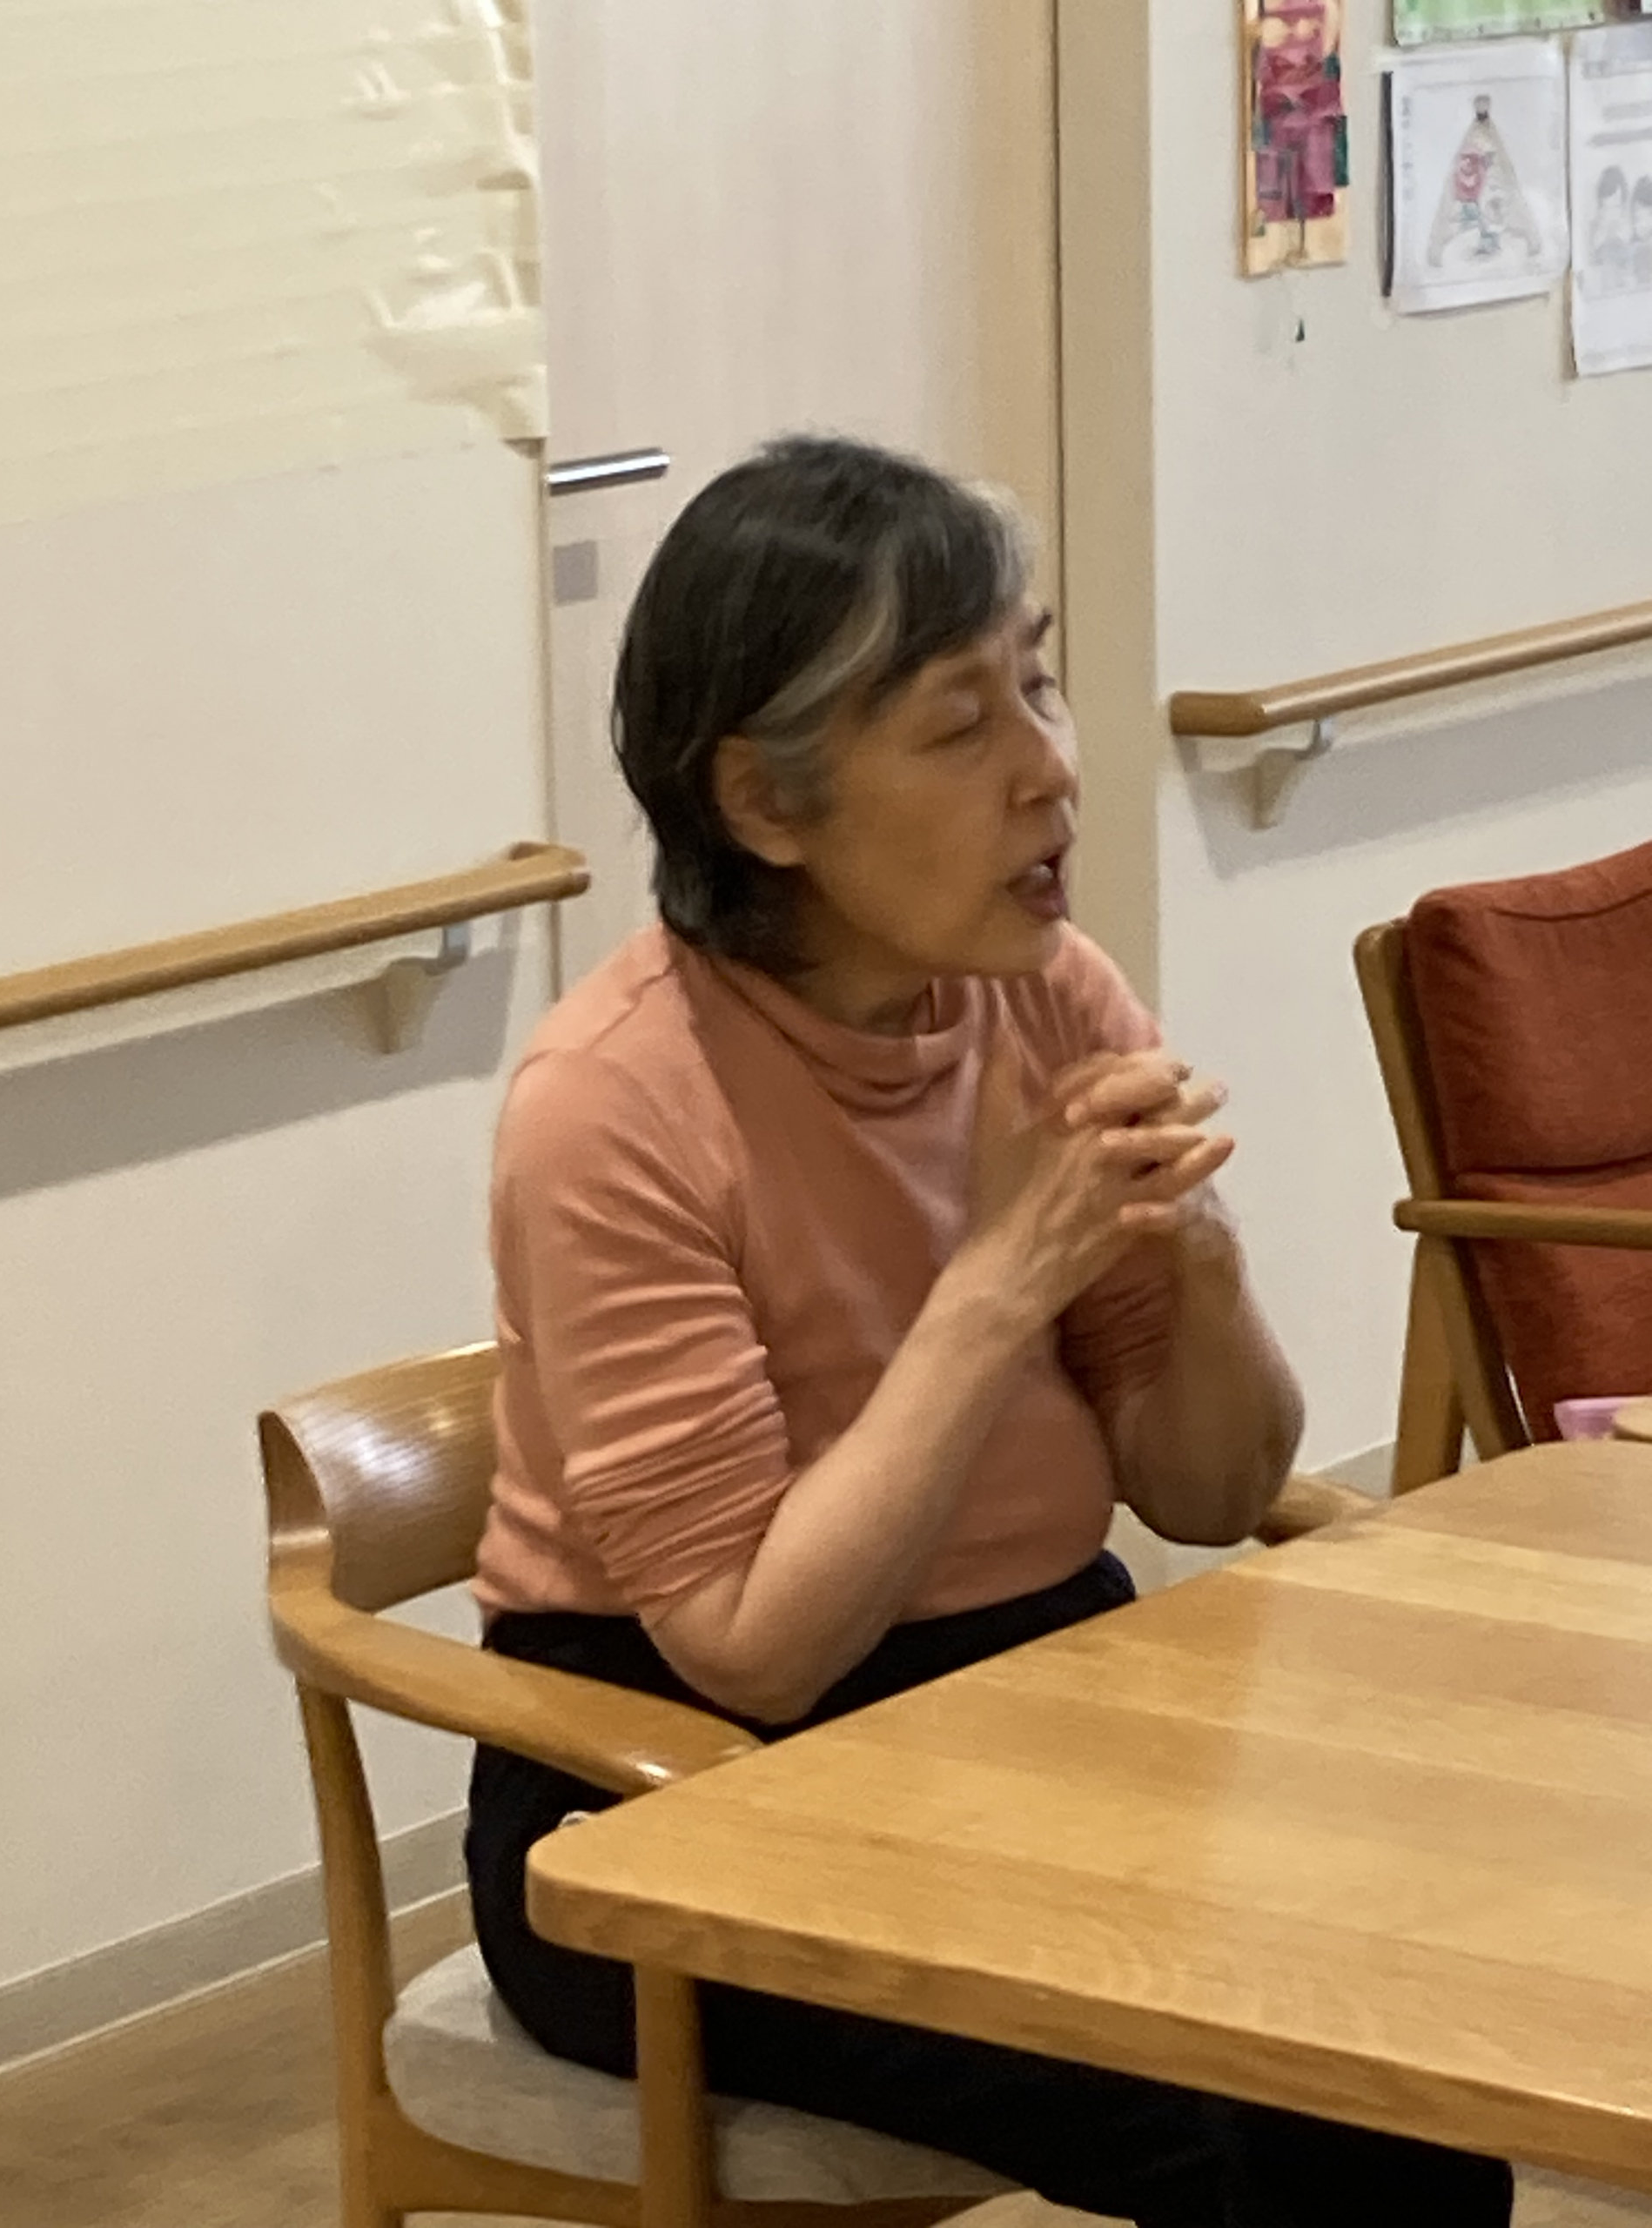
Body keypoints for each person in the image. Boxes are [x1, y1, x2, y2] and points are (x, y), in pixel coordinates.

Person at [465, 435, 1514, 2227]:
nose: (1050, 767)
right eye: (960, 725)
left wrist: (1191, 1252)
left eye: (1038, 681)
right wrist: (1003, 1277)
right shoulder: (612, 1104)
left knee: (1395, 2053)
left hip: (1029, 1710)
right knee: (1221, 2126)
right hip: (674, 1793)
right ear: (765, 803)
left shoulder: (1045, 990)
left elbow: (1209, 1491)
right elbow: (755, 1653)